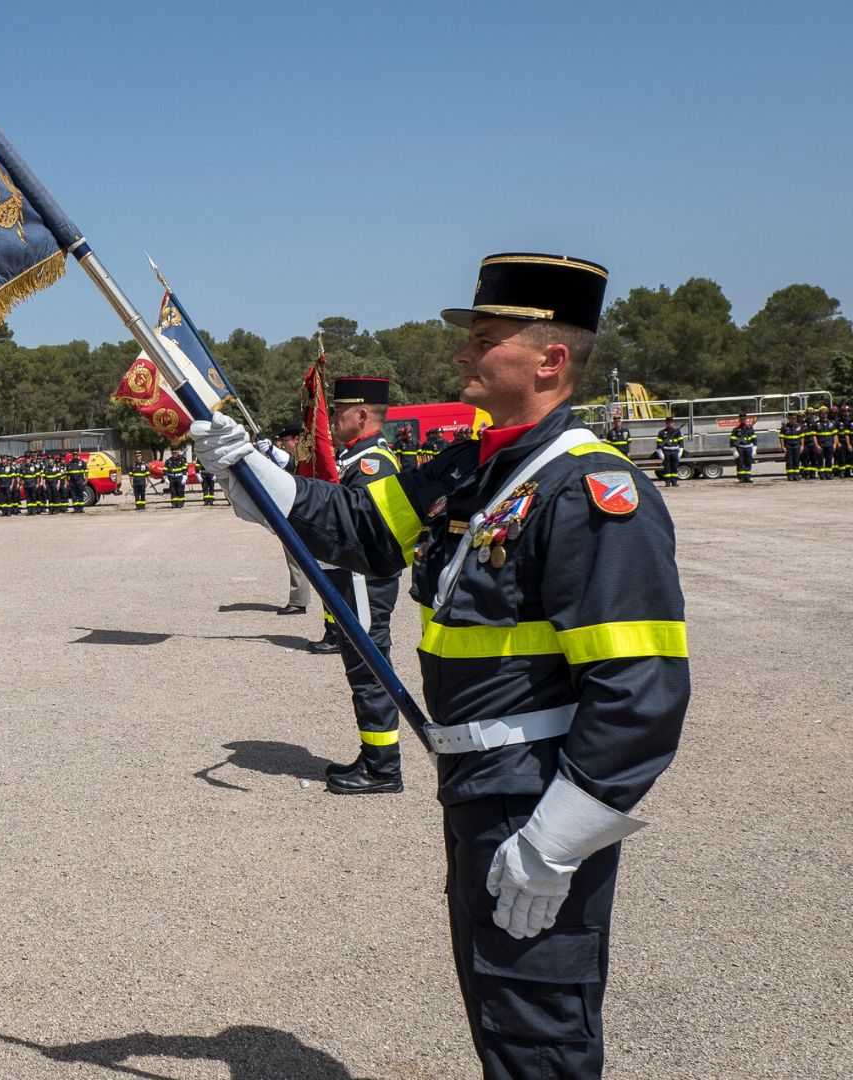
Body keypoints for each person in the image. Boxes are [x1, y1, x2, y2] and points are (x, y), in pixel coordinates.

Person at [194, 251, 687, 1079]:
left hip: (536, 795)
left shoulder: (590, 490)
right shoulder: (477, 465)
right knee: (501, 1008)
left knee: (538, 1027)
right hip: (479, 784)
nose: (462, 354)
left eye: (485, 338)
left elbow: (642, 693)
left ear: (549, 359)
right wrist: (251, 469)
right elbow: (355, 526)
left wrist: (558, 840)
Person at [316, 378, 407, 794]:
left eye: (338, 413)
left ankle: (382, 769)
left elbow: (372, 535)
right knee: (363, 670)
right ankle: (375, 757)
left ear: (363, 416)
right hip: (357, 582)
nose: (332, 420)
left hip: (364, 583)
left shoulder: (373, 466)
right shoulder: (358, 459)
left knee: (370, 671)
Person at [266, 424, 310, 615]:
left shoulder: (304, 457)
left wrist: (270, 451)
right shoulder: (299, 458)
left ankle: (299, 601)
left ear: (297, 439)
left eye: (286, 440)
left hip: (305, 513)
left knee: (295, 555)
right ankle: (299, 599)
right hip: (299, 511)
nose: (283, 444)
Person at [656, 415, 686, 487]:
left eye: (671, 422)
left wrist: (681, 451)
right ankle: (667, 482)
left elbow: (681, 442)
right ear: (666, 423)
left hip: (675, 451)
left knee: (675, 467)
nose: (670, 424)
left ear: (673, 423)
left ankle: (674, 482)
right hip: (666, 451)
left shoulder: (677, 432)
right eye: (668, 422)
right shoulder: (662, 432)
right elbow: (658, 444)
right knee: (667, 467)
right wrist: (660, 452)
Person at [730, 410, 757, 483]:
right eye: (741, 419)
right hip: (740, 448)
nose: (743, 420)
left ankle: (747, 478)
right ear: (739, 420)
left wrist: (754, 449)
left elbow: (754, 439)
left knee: (748, 463)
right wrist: (735, 451)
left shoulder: (750, 429)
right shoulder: (736, 430)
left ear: (746, 419)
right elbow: (732, 441)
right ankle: (741, 478)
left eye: (744, 419)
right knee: (740, 464)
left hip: (748, 448)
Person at [780, 412, 803, 480]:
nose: (792, 420)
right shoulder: (785, 427)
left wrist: (802, 446)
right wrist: (783, 446)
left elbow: (802, 437)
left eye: (794, 418)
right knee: (789, 461)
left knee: (796, 460)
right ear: (788, 419)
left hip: (797, 445)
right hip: (788, 446)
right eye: (791, 418)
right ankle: (790, 475)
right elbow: (781, 437)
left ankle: (796, 475)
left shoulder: (798, 426)